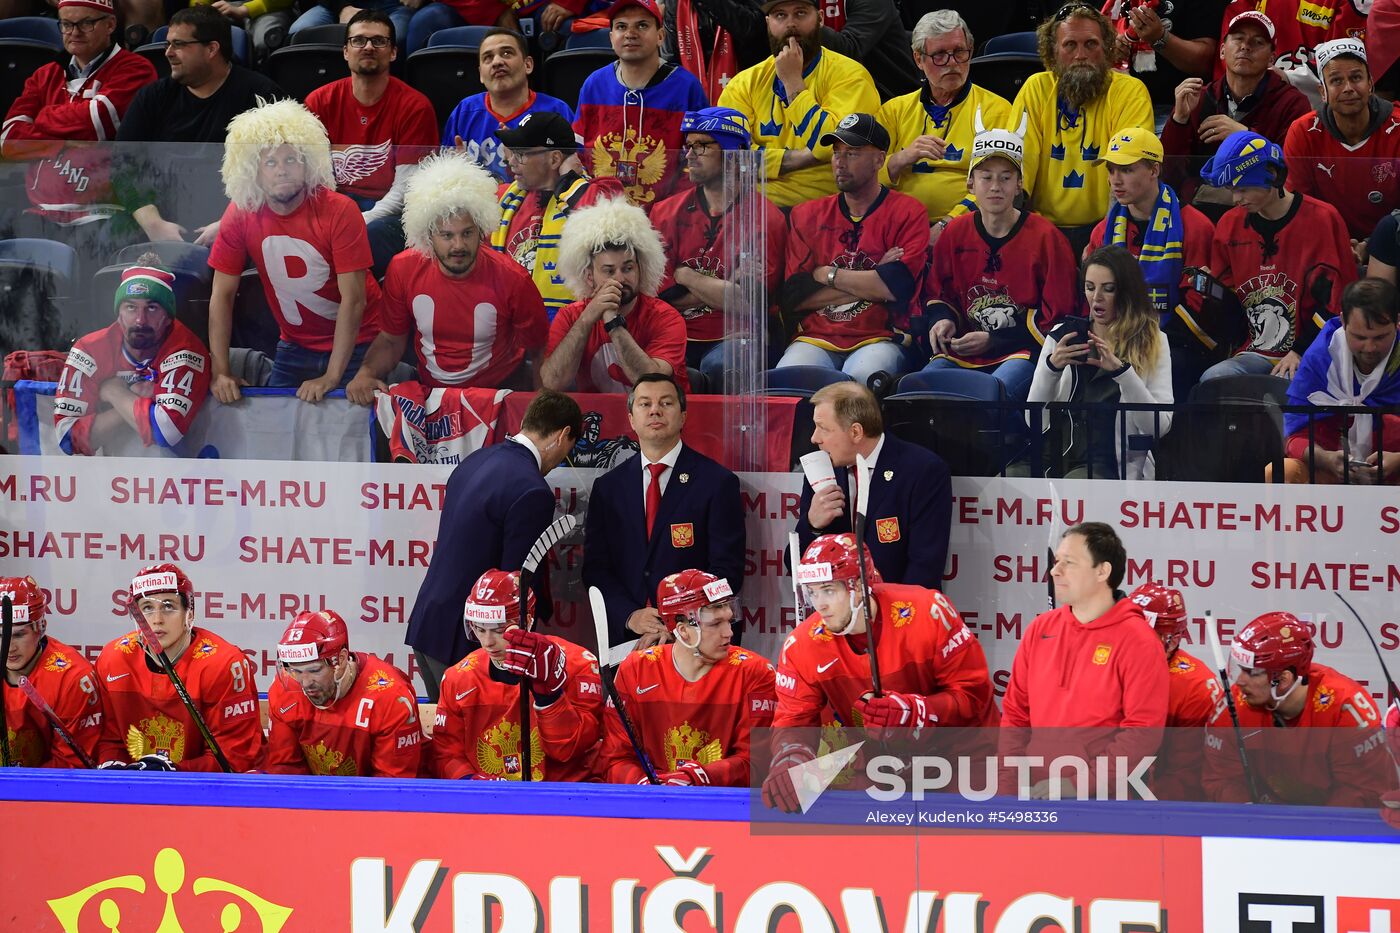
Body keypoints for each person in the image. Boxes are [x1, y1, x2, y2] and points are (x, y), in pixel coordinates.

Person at [761, 533, 997, 812]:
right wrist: (792, 755)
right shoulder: (802, 646)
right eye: (812, 592)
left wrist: (918, 710)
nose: (819, 604)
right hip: (885, 770)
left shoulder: (928, 611)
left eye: (828, 590)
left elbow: (975, 694)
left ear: (860, 585)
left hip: (962, 759)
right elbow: (793, 719)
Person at [405, 390, 581, 701]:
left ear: (527, 422)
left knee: (448, 745)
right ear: (564, 435)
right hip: (472, 644)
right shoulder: (532, 490)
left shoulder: (478, 458)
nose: (560, 461)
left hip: (429, 625)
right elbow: (515, 588)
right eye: (569, 449)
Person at [207, 98, 383, 403]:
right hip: (295, 345)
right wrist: (220, 371)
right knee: (276, 432)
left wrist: (331, 376)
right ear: (254, 170)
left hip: (362, 341)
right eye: (271, 163)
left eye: (291, 160)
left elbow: (354, 300)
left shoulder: (339, 210)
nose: (282, 171)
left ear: (307, 163)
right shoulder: (240, 213)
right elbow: (221, 294)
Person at [346, 151, 549, 404]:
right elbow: (390, 339)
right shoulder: (403, 269)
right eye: (447, 235)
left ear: (482, 230)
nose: (458, 246)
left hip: (498, 396)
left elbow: (540, 349)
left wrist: (543, 406)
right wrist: (366, 373)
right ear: (428, 235)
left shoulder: (513, 278)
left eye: (467, 233)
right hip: (432, 398)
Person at [998, 523, 1167, 800]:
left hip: (1108, 803)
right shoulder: (1040, 629)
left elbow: (1142, 733)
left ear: (1102, 571)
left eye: (1069, 563)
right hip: (1036, 797)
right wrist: (1007, 786)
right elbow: (1016, 715)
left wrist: (1079, 785)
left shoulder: (1139, 642)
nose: (1055, 571)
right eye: (1056, 561)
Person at [920, 112, 1077, 401]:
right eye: (986, 177)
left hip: (1022, 352)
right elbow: (939, 293)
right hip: (964, 351)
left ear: (1019, 184)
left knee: (990, 395)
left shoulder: (1046, 237)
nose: (995, 186)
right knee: (922, 390)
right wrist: (943, 320)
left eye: (1006, 178)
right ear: (971, 184)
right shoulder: (955, 233)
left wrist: (995, 340)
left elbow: (1059, 318)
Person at [582, 373, 745, 648]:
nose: (655, 410)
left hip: (696, 639)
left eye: (666, 403)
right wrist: (630, 615)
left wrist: (678, 621)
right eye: (645, 404)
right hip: (627, 640)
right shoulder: (607, 488)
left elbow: (727, 570)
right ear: (632, 419)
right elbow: (596, 570)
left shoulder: (718, 483)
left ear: (683, 416)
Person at [776, 113, 928, 385]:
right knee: (789, 380)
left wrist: (825, 274)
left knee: (859, 380)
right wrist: (874, 275)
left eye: (853, 153)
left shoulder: (908, 211)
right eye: (837, 153)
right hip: (816, 337)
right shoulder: (806, 214)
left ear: (880, 160)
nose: (840, 162)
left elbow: (895, 289)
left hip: (880, 337)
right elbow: (794, 298)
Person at [0, 0, 157, 263]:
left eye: (86, 22)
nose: (74, 32)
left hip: (106, 213)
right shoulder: (45, 74)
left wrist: (42, 118)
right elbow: (9, 139)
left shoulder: (136, 69)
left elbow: (97, 123)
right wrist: (62, 143)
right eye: (66, 24)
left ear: (110, 25)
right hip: (39, 212)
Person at [116, 6, 285, 246]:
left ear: (212, 49)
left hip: (241, 229)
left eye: (179, 45)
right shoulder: (153, 97)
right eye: (168, 44)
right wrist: (153, 224)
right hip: (158, 228)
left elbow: (284, 171)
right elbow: (121, 165)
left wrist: (235, 220)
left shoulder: (262, 97)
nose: (168, 53)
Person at [1198, 129, 1355, 382]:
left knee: (1286, 386)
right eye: (1231, 189)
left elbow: (1339, 304)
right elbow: (1230, 321)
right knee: (1213, 380)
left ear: (1272, 176)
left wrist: (1300, 351)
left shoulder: (1323, 220)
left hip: (1317, 352)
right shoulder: (1228, 226)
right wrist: (1212, 295)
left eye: (1245, 188)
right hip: (1254, 352)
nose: (1237, 198)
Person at [650, 107, 788, 390]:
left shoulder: (765, 217)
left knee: (722, 366)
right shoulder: (665, 212)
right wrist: (725, 286)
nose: (689, 155)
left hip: (737, 336)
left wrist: (685, 275)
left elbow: (748, 304)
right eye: (688, 146)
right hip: (673, 333)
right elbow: (657, 294)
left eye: (701, 145)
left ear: (732, 153)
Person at [599, 570, 777, 785]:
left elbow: (757, 763)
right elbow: (615, 758)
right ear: (682, 631)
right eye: (715, 624)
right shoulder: (636, 670)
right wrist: (643, 786)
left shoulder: (756, 672)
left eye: (729, 621)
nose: (729, 632)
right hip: (654, 808)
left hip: (724, 810)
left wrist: (695, 778)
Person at [1202, 611, 1393, 807]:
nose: (1239, 681)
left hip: (1330, 827)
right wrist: (1250, 816)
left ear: (1283, 679)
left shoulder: (1345, 708)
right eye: (1238, 668)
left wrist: (1313, 828)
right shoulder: (1232, 704)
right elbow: (1220, 779)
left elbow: (1363, 791)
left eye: (1251, 672)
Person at [432, 569, 603, 781]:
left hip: (560, 802)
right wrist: (472, 785)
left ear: (528, 620)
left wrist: (550, 698)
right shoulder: (458, 678)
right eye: (479, 629)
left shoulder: (579, 664)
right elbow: (447, 754)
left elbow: (569, 751)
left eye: (499, 630)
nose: (488, 642)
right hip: (486, 805)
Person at [306, 10, 439, 278]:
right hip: (334, 205)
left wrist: (356, 222)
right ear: (345, 51)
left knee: (369, 237)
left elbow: (406, 191)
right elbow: (312, 179)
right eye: (358, 40)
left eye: (379, 41)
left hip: (387, 214)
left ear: (392, 52)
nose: (368, 47)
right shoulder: (319, 101)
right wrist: (335, 218)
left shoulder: (415, 106)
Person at [1012, 3, 1153, 257]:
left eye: (1091, 44)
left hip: (1106, 226)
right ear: (1052, 52)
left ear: (1107, 48)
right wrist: (1021, 234)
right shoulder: (1035, 89)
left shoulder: (1130, 91)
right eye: (1069, 45)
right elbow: (1018, 167)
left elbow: (1129, 170)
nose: (1080, 55)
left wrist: (1106, 241)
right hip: (1041, 229)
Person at [1023, 246, 1173, 479]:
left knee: (1077, 481)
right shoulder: (1062, 336)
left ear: (1127, 291)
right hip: (1054, 454)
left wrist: (1123, 373)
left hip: (1111, 464)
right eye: (1090, 287)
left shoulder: (1152, 341)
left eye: (1109, 289)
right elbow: (1034, 421)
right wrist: (1051, 370)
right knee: (1006, 480)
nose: (1096, 298)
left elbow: (1158, 427)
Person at [95, 563, 264, 772]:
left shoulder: (224, 664)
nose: (156, 620)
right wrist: (114, 766)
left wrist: (173, 772)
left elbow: (234, 761)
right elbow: (110, 740)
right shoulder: (113, 659)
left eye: (168, 606)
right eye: (147, 608)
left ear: (189, 614)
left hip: (207, 796)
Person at [1087, 126, 1217, 396]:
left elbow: (1198, 300)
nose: (1115, 180)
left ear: (1154, 170)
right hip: (1113, 337)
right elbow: (1091, 295)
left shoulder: (1195, 226)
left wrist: (1148, 342)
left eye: (1127, 169)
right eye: (1111, 170)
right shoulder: (1103, 231)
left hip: (1176, 342)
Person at [716, 0, 880, 209]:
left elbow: (831, 149)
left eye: (800, 13)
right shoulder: (743, 83)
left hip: (828, 209)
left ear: (820, 18)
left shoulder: (850, 76)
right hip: (754, 209)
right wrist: (803, 157)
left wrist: (793, 83)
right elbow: (729, 158)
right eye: (780, 16)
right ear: (768, 23)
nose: (791, 24)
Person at [794, 381, 952, 589]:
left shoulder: (923, 471)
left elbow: (925, 568)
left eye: (823, 428)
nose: (814, 438)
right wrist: (812, 525)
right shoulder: (821, 471)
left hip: (899, 612)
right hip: (836, 612)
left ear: (856, 432)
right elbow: (795, 566)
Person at [54, 258, 212, 456]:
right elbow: (66, 438)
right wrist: (140, 401)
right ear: (118, 314)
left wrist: (115, 393)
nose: (140, 320)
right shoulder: (89, 350)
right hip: (109, 479)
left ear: (168, 317)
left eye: (152, 307)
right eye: (130, 307)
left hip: (177, 477)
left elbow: (165, 432)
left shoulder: (186, 350)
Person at [1161, 12, 1310, 216]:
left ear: (1272, 59)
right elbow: (1168, 176)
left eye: (1257, 42)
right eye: (1238, 38)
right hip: (1200, 211)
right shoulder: (1197, 98)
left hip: (1265, 213)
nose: (1245, 46)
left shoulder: (1293, 103)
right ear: (1222, 50)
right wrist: (1179, 119)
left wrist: (1245, 137)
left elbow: (1291, 173)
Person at [877, 10, 1012, 228]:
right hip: (897, 228)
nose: (952, 63)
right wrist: (899, 160)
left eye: (959, 52)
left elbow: (997, 186)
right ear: (919, 59)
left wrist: (947, 225)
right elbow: (864, 178)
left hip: (970, 228)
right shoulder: (893, 111)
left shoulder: (997, 111)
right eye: (939, 54)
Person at [541, 197, 690, 393]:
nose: (620, 279)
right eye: (609, 271)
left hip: (656, 419)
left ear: (640, 269)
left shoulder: (666, 318)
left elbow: (652, 385)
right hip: (594, 420)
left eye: (628, 268)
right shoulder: (571, 317)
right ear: (589, 277)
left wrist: (613, 322)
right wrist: (587, 319)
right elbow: (552, 382)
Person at [490, 111, 626, 321]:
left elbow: (600, 220)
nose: (511, 162)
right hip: (511, 320)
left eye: (522, 154)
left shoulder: (601, 191)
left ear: (554, 159)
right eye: (512, 152)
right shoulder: (507, 196)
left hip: (576, 326)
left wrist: (568, 181)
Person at [575, 0, 709, 208]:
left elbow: (699, 156)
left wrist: (672, 210)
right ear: (611, 38)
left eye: (642, 25)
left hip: (669, 213)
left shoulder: (686, 86)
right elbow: (578, 153)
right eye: (621, 27)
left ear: (660, 36)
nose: (630, 33)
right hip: (602, 214)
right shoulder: (594, 84)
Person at [265, 609, 425, 777]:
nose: (305, 683)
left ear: (341, 659)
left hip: (389, 797)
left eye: (315, 670)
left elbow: (392, 785)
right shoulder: (285, 689)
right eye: (296, 671)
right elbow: (285, 769)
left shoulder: (390, 696)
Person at [1284, 39, 1400, 261]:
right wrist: (1334, 244)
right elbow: (1299, 208)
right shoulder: (1303, 132)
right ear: (1322, 91)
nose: (1348, 88)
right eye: (1336, 80)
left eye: (1356, 77)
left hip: (1392, 244)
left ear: (1371, 85)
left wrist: (1372, 245)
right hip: (1323, 245)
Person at [1277, 277, 1400, 484]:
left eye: (1380, 338)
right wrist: (1325, 459)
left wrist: (1398, 460)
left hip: (1394, 465)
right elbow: (1292, 435)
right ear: (1343, 321)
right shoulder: (1319, 358)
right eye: (1359, 337)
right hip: (1331, 466)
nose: (1370, 348)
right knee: (1282, 471)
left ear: (1397, 322)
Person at [442, 29, 575, 183]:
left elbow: (574, 176)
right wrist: (456, 173)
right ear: (480, 74)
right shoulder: (464, 112)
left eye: (506, 53)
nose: (497, 62)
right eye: (488, 57)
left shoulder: (556, 111)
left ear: (528, 65)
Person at [0, 576, 106, 768]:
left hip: (47, 791)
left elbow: (72, 766)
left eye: (18, 634)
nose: (7, 647)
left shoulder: (73, 678)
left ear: (41, 628)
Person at [1126, 582, 1218, 802]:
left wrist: (1128, 809)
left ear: (1172, 641)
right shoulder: (1106, 665)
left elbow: (1185, 780)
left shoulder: (1194, 688)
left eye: (1142, 637)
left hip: (1157, 809)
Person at [1106, 0, 1225, 107]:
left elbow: (1208, 62)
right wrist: (1120, 46)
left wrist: (1160, 38)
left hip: (1184, 108)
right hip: (1133, 101)